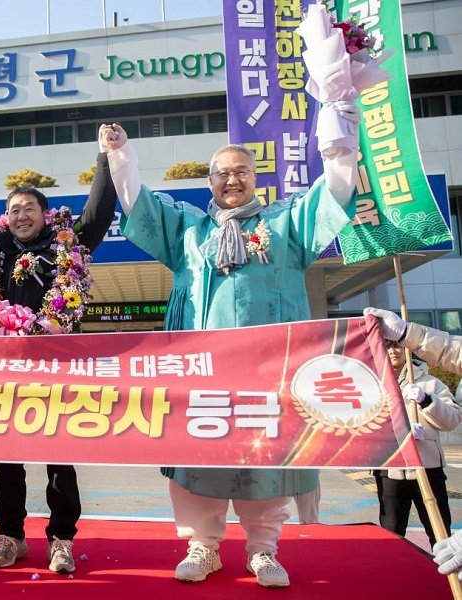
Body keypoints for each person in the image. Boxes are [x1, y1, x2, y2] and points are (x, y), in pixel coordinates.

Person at [103, 110, 358, 587]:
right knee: (199, 457)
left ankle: (264, 550)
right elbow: (141, 205)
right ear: (210, 182)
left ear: (255, 179)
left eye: (241, 171)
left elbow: (335, 193)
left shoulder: (286, 224)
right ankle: (203, 546)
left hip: (270, 374)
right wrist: (121, 155)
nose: (231, 179)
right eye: (222, 172)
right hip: (202, 375)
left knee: (267, 459)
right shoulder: (189, 232)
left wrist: (341, 131)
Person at [0, 134, 117, 573]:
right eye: (14, 209)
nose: (21, 214)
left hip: (58, 370)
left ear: (44, 215)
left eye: (29, 208)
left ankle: (61, 539)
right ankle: (10, 536)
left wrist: (106, 157)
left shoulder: (68, 244)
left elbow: (99, 211)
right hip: (4, 372)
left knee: (59, 462)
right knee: (6, 461)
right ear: (4, 218)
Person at [365, 307, 462, 579]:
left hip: (426, 466)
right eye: (388, 347)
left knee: (438, 528)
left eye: (398, 346)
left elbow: (453, 420)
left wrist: (426, 403)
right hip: (392, 468)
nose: (394, 351)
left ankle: (447, 578)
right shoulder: (375, 385)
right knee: (392, 527)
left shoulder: (429, 383)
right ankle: (391, 576)